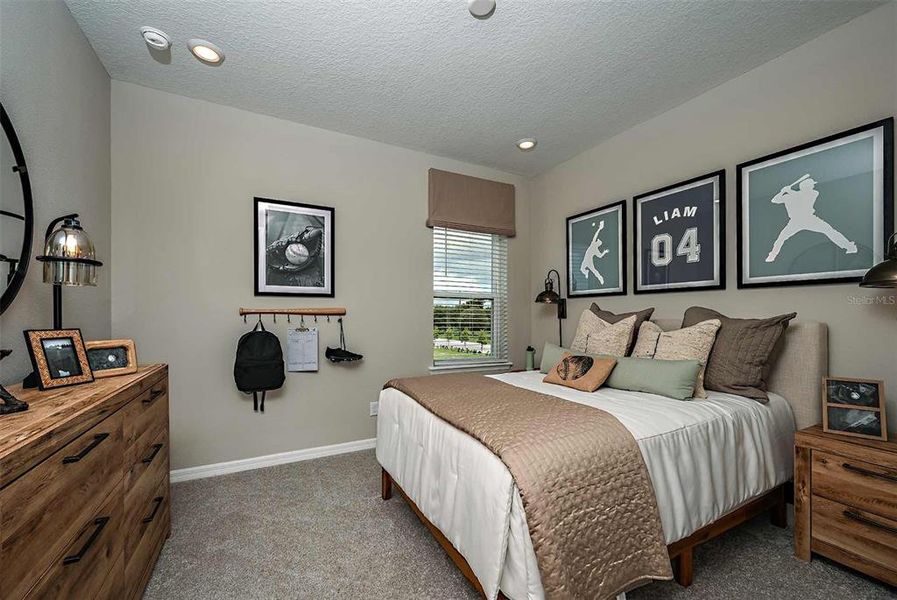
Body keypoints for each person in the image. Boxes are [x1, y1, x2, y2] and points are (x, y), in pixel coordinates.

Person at [766, 174, 856, 263]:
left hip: (809, 219)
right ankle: (772, 256)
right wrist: (782, 192)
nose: (813, 186)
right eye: (811, 185)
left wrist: (788, 190)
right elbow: (774, 200)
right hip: (795, 221)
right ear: (805, 187)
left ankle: (850, 247)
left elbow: (800, 196)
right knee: (781, 238)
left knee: (829, 231)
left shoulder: (813, 193)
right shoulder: (789, 196)